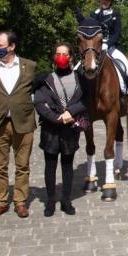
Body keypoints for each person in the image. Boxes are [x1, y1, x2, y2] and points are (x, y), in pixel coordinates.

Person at [0, 31, 37, 219]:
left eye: (0, 45)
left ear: (12, 46)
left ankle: (20, 202)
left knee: (22, 165)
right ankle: (1, 202)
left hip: (23, 122)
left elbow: (35, 91)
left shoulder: (29, 66)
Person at [34, 43, 90, 216]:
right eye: (58, 53)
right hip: (51, 129)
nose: (61, 57)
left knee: (67, 165)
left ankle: (66, 200)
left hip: (70, 129)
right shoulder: (46, 78)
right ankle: (50, 200)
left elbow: (86, 100)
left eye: (64, 54)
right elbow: (39, 102)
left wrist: (70, 112)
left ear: (71, 57)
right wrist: (56, 118)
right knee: (50, 165)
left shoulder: (80, 78)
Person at [76, 0, 128, 114]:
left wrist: (108, 43)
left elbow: (117, 33)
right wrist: (80, 17)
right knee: (76, 69)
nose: (105, 1)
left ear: (111, 1)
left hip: (111, 46)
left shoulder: (115, 14)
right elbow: (88, 28)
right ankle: (76, 99)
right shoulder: (94, 14)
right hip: (94, 47)